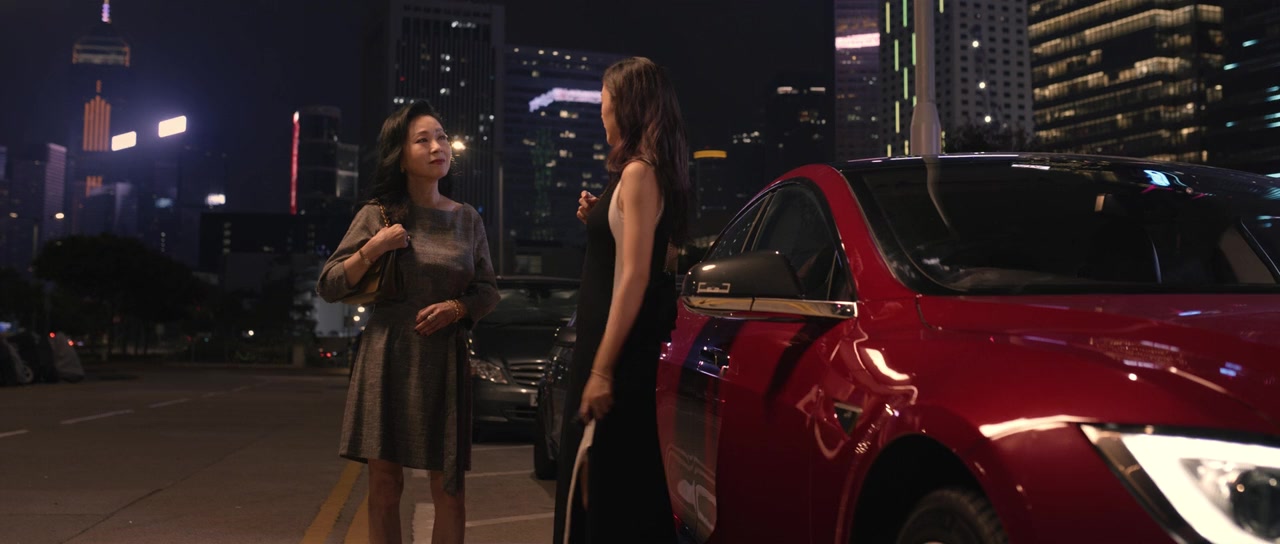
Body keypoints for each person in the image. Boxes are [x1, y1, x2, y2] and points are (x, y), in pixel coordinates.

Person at [316, 100, 499, 544]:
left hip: (444, 361)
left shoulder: (467, 218)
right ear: (400, 156)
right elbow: (330, 284)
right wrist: (374, 247)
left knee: (449, 488)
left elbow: (488, 290)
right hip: (387, 356)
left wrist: (456, 309)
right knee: (384, 484)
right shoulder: (376, 215)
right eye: (423, 140)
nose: (438, 147)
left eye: (441, 137)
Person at [553, 56, 690, 544]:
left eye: (605, 103)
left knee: (612, 494)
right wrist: (598, 217)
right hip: (606, 349)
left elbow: (634, 277)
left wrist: (602, 369)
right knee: (605, 488)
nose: (601, 113)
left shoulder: (639, 173)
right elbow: (625, 250)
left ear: (627, 107)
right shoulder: (639, 173)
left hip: (614, 355)